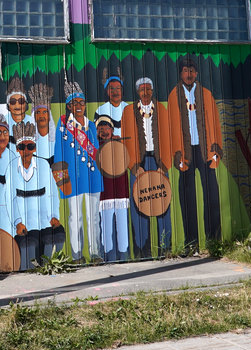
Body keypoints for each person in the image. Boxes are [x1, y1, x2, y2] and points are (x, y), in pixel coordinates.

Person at [163, 56, 223, 247]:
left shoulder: (206, 94)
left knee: (211, 195)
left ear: (196, 73)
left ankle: (214, 240)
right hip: (186, 153)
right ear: (180, 73)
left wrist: (216, 148)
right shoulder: (174, 96)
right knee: (187, 198)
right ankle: (191, 242)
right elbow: (171, 128)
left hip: (205, 151)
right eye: (185, 71)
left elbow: (215, 123)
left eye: (191, 70)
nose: (188, 74)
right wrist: (176, 153)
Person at [52, 80, 102, 259]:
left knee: (93, 217)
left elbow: (97, 152)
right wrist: (61, 179)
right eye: (75, 103)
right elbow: (59, 152)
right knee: (75, 217)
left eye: (82, 102)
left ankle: (95, 253)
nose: (79, 106)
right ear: (69, 106)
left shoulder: (92, 126)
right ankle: (77, 255)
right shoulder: (64, 125)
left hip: (92, 175)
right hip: (72, 177)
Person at [8, 123, 63, 269]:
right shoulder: (11, 168)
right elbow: (10, 199)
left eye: (30, 146)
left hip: (44, 222)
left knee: (57, 237)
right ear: (17, 149)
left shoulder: (43, 165)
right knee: (28, 252)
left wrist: (54, 216)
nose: (26, 150)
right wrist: (17, 222)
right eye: (22, 147)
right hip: (24, 226)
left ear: (35, 148)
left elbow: (52, 193)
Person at [129, 77, 171, 256]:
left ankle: (165, 247)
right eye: (142, 89)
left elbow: (169, 137)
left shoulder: (161, 109)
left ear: (152, 91)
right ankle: (142, 249)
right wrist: (134, 166)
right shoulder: (129, 111)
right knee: (139, 205)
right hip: (139, 163)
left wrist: (165, 165)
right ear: (137, 92)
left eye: (148, 89)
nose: (145, 93)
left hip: (158, 161)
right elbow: (127, 140)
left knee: (162, 203)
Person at [94, 114, 132, 262]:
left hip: (120, 192)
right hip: (105, 194)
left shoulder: (119, 144)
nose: (104, 131)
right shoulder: (95, 147)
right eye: (100, 129)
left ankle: (123, 254)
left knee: (122, 222)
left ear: (112, 129)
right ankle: (108, 255)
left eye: (107, 128)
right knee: (106, 223)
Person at [29, 83, 55, 160]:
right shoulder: (29, 143)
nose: (41, 116)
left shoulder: (56, 140)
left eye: (44, 112)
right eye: (38, 112)